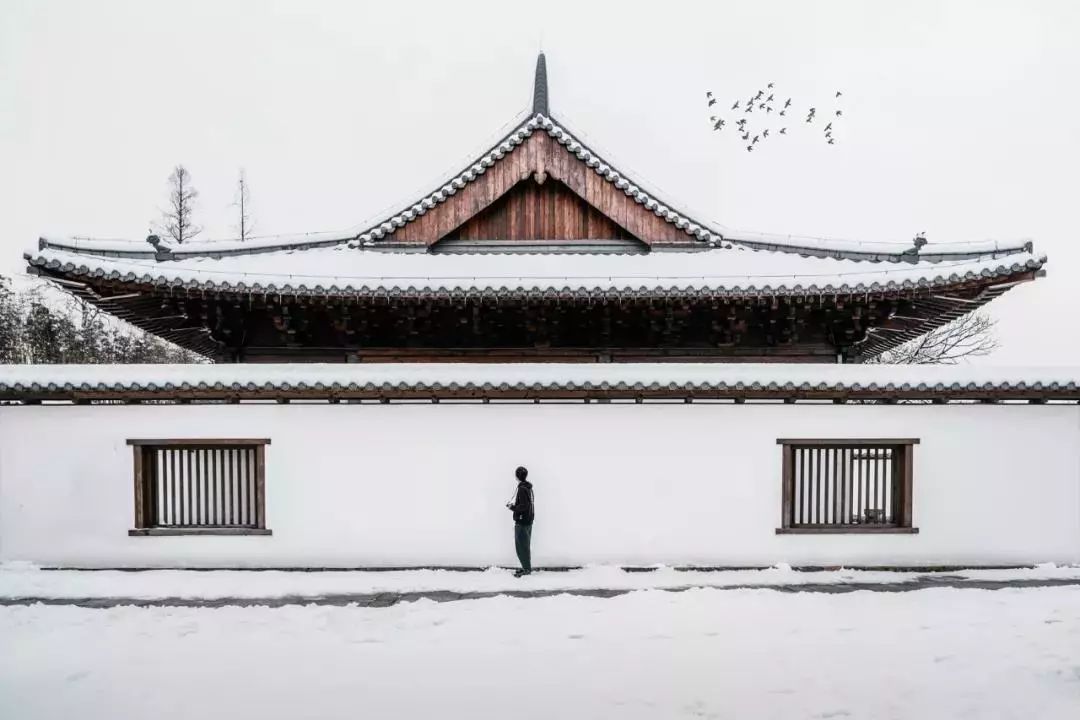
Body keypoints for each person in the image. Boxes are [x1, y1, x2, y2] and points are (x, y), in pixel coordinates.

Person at [506, 466, 534, 577]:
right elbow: (527, 505)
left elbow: (523, 506)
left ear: (517, 476)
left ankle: (526, 570)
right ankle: (526, 568)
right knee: (525, 546)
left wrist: (512, 507)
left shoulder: (522, 489)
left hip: (522, 522)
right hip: (528, 520)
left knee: (521, 547)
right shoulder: (528, 487)